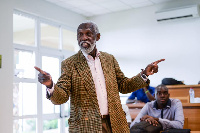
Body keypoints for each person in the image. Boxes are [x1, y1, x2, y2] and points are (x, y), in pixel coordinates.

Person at [34, 21, 165, 133]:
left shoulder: (109, 59)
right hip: (86, 126)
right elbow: (61, 97)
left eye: (88, 34)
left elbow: (124, 86)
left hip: (115, 123)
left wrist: (145, 74)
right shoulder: (69, 64)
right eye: (80, 34)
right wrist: (50, 85)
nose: (83, 38)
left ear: (97, 37)